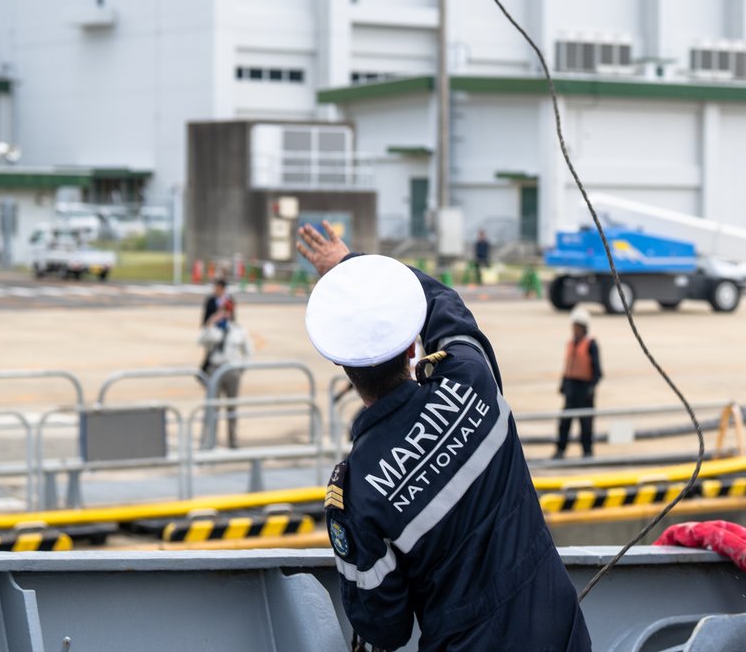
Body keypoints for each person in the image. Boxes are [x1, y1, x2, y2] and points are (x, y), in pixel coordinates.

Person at [297, 221, 590, 652]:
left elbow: (384, 626)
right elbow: (444, 304)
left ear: (344, 366)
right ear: (410, 345)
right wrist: (352, 265)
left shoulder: (358, 490)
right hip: (559, 629)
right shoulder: (473, 380)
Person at [198, 296, 252, 448]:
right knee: (212, 408)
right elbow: (200, 340)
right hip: (215, 370)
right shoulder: (213, 329)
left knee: (232, 408)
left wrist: (240, 370)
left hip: (231, 371)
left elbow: (248, 352)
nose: (224, 313)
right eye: (222, 310)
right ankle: (209, 441)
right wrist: (210, 323)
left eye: (227, 310)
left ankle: (233, 441)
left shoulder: (239, 330)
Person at [554, 307, 602, 460]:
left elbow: (598, 371)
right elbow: (568, 366)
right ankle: (560, 450)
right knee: (565, 422)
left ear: (583, 327)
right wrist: (563, 384)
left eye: (576, 326)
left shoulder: (591, 345)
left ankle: (587, 452)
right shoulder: (571, 343)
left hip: (584, 389)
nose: (574, 329)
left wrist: (591, 388)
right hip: (571, 388)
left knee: (586, 423)